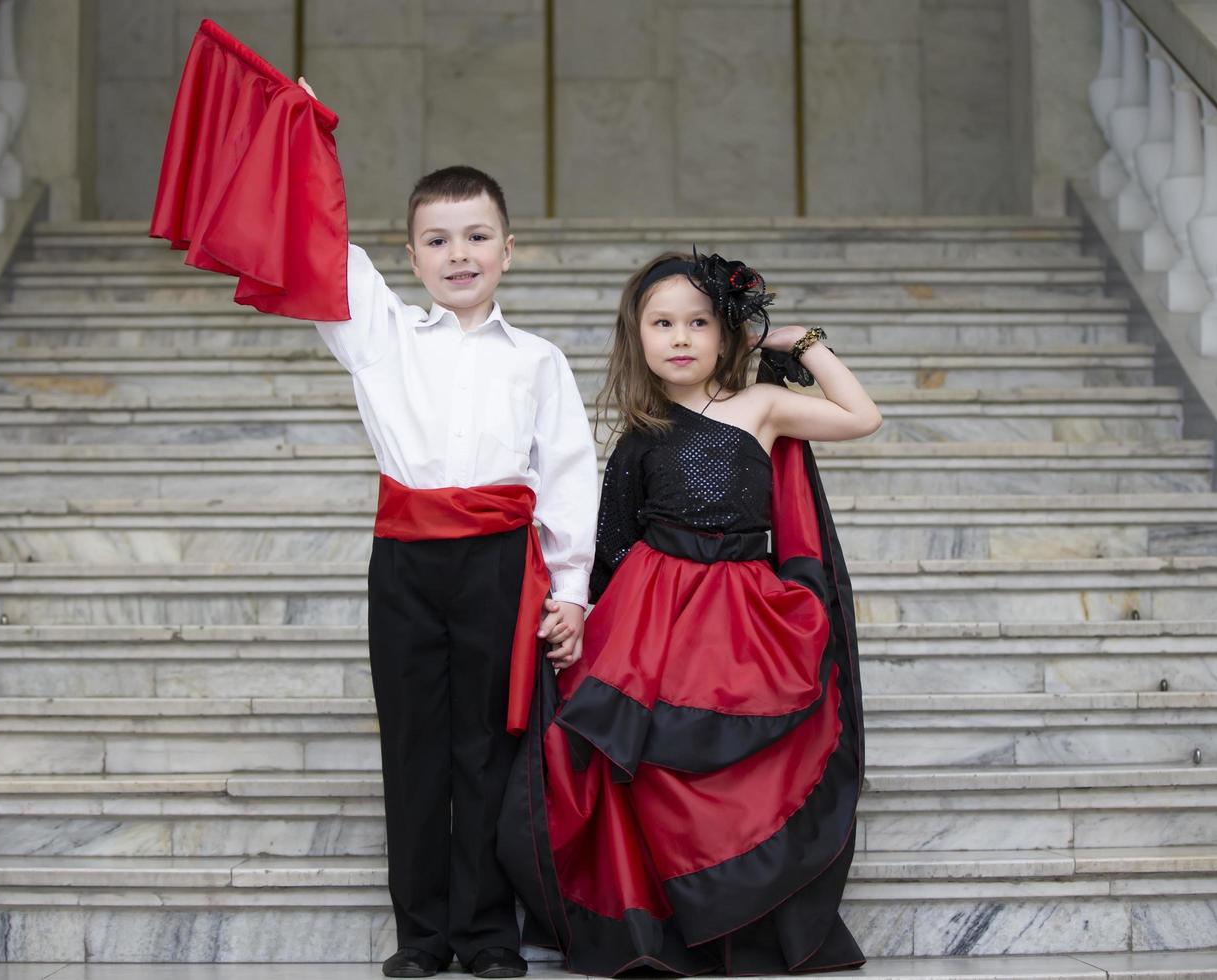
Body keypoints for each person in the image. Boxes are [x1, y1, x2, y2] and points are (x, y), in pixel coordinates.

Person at [499, 250, 882, 975]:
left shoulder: (759, 407)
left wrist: (798, 342)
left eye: (698, 322)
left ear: (724, 333)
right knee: (655, 765)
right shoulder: (638, 438)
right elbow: (609, 548)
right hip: (653, 619)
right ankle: (660, 927)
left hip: (738, 617)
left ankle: (739, 916)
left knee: (729, 768)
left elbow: (861, 416)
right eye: (662, 323)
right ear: (636, 336)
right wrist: (578, 618)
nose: (679, 337)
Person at [310, 153, 599, 978]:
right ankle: (422, 937)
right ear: (411, 257)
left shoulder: (536, 359)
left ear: (509, 249)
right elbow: (323, 247)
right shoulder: (381, 337)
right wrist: (309, 144)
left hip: (502, 564)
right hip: (405, 563)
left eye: (476, 236)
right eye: (437, 240)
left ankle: (486, 935)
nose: (458, 253)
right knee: (413, 748)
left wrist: (572, 592)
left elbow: (572, 475)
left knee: (487, 747)